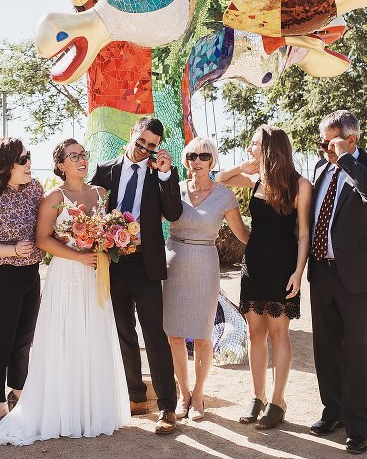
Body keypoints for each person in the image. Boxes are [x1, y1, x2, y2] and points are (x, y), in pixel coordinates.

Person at [0, 139, 131, 445]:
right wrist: (78, 256)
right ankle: (61, 411)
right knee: (65, 338)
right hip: (67, 275)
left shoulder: (101, 194)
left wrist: (112, 242)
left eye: (83, 154)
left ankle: (89, 409)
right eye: (73, 156)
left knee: (93, 336)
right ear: (61, 165)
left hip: (97, 275)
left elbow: (108, 231)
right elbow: (42, 239)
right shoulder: (54, 197)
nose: (80, 159)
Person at [90, 117, 183, 435]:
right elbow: (90, 212)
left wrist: (167, 174)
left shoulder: (161, 175)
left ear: (158, 147)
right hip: (112, 265)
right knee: (122, 332)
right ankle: (135, 397)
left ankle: (167, 407)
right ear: (132, 135)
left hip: (146, 265)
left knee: (155, 335)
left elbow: (173, 213)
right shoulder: (104, 170)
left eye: (151, 146)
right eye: (141, 142)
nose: (144, 150)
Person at [216, 124, 312, 430]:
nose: (249, 148)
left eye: (254, 144)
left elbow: (304, 234)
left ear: (271, 148)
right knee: (255, 334)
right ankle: (256, 398)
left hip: (283, 266)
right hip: (253, 265)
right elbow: (219, 179)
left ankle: (277, 400)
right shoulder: (254, 178)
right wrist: (241, 166)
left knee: (278, 334)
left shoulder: (301, 185)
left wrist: (299, 273)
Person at [306, 110, 367, 454]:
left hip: (355, 275)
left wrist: (345, 160)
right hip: (321, 271)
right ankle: (334, 412)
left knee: (355, 350)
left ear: (351, 139)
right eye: (322, 141)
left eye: (330, 141)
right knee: (325, 347)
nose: (324, 147)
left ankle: (358, 427)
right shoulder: (319, 168)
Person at [162, 137, 249, 422]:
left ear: (212, 161)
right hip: (173, 263)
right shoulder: (173, 190)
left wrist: (277, 251)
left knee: (202, 335)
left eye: (203, 156)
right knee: (174, 335)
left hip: (205, 266)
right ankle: (183, 394)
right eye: (191, 156)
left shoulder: (224, 195)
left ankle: (198, 394)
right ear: (185, 160)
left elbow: (243, 235)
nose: (196, 161)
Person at [0, 138, 44, 428]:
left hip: (31, 273)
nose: (29, 164)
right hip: (2, 276)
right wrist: (12, 249)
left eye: (29, 157)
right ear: (6, 165)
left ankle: (18, 392)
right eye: (23, 159)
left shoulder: (35, 188)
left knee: (24, 338)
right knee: (1, 340)